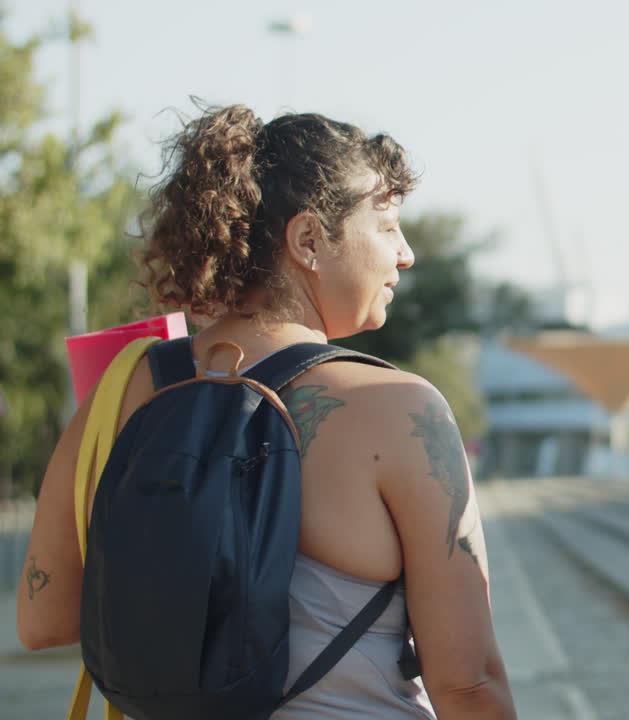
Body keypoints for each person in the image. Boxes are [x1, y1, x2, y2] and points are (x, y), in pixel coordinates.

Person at [17, 104, 517, 719]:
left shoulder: (121, 387)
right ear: (309, 240)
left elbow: (43, 621)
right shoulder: (398, 410)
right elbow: (468, 684)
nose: (406, 254)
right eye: (386, 225)